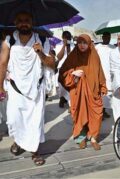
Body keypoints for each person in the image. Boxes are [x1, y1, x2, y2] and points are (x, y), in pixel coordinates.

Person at [0, 11, 55, 165]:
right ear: (15, 23)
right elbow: (3, 63)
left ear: (32, 22)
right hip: (15, 88)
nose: (24, 23)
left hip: (36, 88)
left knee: (34, 121)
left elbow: (52, 64)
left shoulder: (43, 40)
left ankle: (34, 150)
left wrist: (41, 54)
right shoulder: (10, 40)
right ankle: (18, 141)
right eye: (20, 21)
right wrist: (0, 87)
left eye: (27, 20)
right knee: (14, 119)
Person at [58, 34, 107, 150]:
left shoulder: (94, 56)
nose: (82, 45)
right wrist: (73, 74)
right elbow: (62, 72)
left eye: (85, 43)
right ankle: (81, 138)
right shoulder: (73, 56)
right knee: (79, 112)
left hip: (93, 90)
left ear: (89, 44)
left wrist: (103, 86)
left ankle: (93, 137)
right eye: (80, 42)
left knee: (97, 114)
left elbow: (100, 71)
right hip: (77, 90)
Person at [95, 31, 115, 118]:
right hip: (99, 73)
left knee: (107, 94)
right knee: (99, 92)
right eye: (106, 37)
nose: (107, 38)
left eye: (109, 37)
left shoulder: (113, 48)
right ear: (102, 37)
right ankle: (99, 111)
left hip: (109, 74)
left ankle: (103, 110)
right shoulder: (97, 47)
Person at [55, 31, 75, 108]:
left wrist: (69, 46)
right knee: (61, 87)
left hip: (71, 69)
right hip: (62, 69)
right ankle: (62, 98)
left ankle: (71, 104)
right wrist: (64, 45)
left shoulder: (73, 46)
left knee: (71, 86)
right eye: (66, 37)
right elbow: (59, 57)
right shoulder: (58, 45)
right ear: (63, 38)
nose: (68, 39)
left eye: (69, 37)